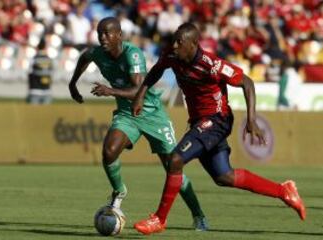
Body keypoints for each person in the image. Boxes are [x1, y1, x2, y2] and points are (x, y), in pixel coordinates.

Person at [132, 23, 306, 235]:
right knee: (224, 176)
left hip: (217, 119)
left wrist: (251, 119)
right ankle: (283, 191)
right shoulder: (171, 55)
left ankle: (159, 219)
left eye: (180, 41)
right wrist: (140, 95)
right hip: (199, 122)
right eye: (174, 40)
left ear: (194, 44)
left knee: (175, 160)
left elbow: (247, 83)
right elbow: (156, 71)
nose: (175, 45)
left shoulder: (212, 64)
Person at [68, 17, 208, 230]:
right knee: (108, 152)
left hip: (151, 114)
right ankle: (119, 191)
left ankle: (198, 215)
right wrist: (72, 83)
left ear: (119, 35)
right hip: (127, 114)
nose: (103, 38)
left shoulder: (132, 54)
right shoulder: (98, 53)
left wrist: (110, 90)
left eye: (108, 33)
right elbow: (85, 56)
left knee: (173, 167)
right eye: (100, 34)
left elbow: (137, 90)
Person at [27, 37, 53, 104]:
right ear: (45, 48)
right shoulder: (49, 60)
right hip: (47, 89)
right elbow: (52, 73)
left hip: (35, 89)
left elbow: (29, 72)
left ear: (37, 48)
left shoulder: (34, 59)